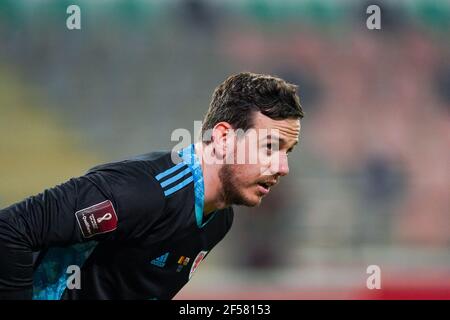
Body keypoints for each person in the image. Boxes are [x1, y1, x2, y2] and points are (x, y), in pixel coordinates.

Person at [0, 72, 304, 300]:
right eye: (269, 147)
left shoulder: (219, 218)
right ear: (223, 138)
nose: (282, 168)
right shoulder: (144, 191)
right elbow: (12, 228)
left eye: (287, 152)